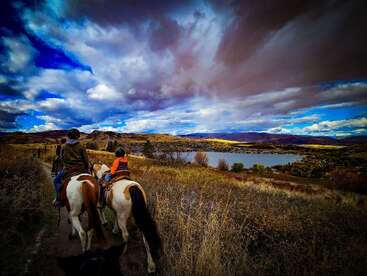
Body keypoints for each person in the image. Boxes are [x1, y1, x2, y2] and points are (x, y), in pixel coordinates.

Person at [53, 129, 89, 208]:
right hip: (81, 169)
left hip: (68, 170)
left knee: (56, 180)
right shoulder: (81, 147)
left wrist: (66, 165)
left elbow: (62, 159)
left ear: (69, 136)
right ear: (77, 136)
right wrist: (87, 170)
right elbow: (86, 160)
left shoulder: (64, 147)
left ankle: (59, 200)